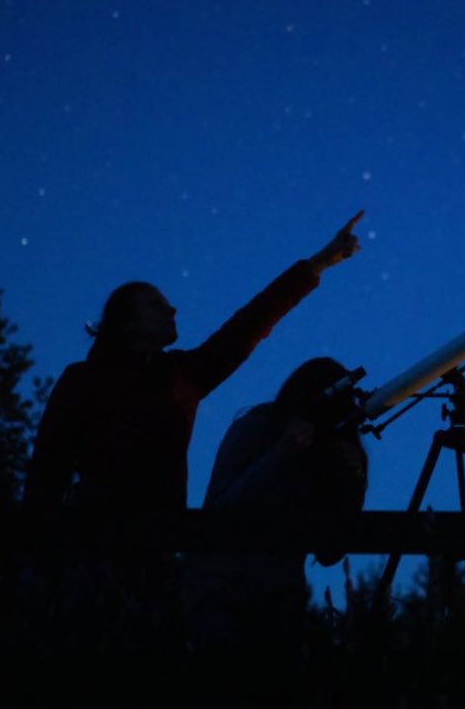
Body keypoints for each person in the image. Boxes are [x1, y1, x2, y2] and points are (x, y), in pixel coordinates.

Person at [19, 211, 363, 670]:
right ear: (127, 321)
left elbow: (248, 326)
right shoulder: (82, 382)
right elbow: (47, 470)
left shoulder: (180, 377)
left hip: (158, 556)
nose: (173, 310)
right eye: (158, 306)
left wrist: (318, 264)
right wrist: (35, 559)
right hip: (94, 554)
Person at [185, 356, 369, 704]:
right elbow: (222, 510)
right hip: (219, 595)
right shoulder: (255, 428)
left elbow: (330, 551)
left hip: (280, 602)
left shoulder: (336, 451)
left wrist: (352, 479)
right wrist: (281, 453)